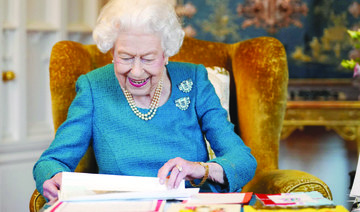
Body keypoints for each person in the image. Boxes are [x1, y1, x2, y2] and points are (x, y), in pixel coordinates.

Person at [33, 0, 257, 204]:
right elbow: (51, 161)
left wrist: (200, 169)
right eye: (126, 57)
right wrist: (53, 177)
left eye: (148, 59)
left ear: (166, 53)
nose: (137, 72)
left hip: (191, 208)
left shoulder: (194, 80)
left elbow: (243, 161)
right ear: (112, 51)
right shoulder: (95, 87)